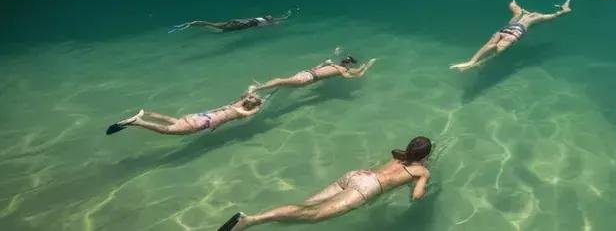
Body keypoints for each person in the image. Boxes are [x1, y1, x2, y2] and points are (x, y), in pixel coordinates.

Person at [217, 136, 433, 230]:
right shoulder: (421, 170)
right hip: (366, 188)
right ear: (425, 156)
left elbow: (391, 160)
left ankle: (265, 222)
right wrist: (424, 185)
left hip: (357, 175)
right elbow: (416, 197)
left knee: (305, 206)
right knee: (313, 215)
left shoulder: (399, 155)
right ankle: (249, 221)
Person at [450, 0, 573, 71]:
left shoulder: (536, 17)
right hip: (507, 30)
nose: (534, 12)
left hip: (512, 33)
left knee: (495, 47)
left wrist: (564, 10)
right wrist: (513, 3)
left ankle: (478, 62)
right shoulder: (520, 14)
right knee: (491, 45)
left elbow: (553, 16)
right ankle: (473, 61)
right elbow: (513, 6)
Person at [105, 92, 266, 136]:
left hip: (199, 116)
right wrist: (261, 103)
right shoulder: (240, 111)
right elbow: (254, 111)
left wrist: (253, 90)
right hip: (201, 123)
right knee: (167, 131)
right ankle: (139, 122)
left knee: (172, 121)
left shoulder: (234, 105)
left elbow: (244, 95)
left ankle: (146, 113)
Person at [250, 56, 376, 92]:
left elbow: (356, 75)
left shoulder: (343, 70)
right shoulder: (333, 65)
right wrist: (323, 63)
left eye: (347, 61)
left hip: (307, 78)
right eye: (345, 60)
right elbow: (316, 68)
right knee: (282, 82)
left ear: (349, 65)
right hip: (305, 73)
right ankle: (264, 88)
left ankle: (258, 88)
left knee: (279, 80)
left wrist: (365, 68)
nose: (345, 61)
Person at [168, 12, 290, 33]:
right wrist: (276, 23)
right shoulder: (264, 21)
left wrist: (279, 20)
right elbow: (270, 21)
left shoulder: (261, 20)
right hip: (238, 25)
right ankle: (195, 23)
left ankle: (194, 23)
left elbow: (270, 20)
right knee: (217, 28)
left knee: (215, 25)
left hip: (237, 22)